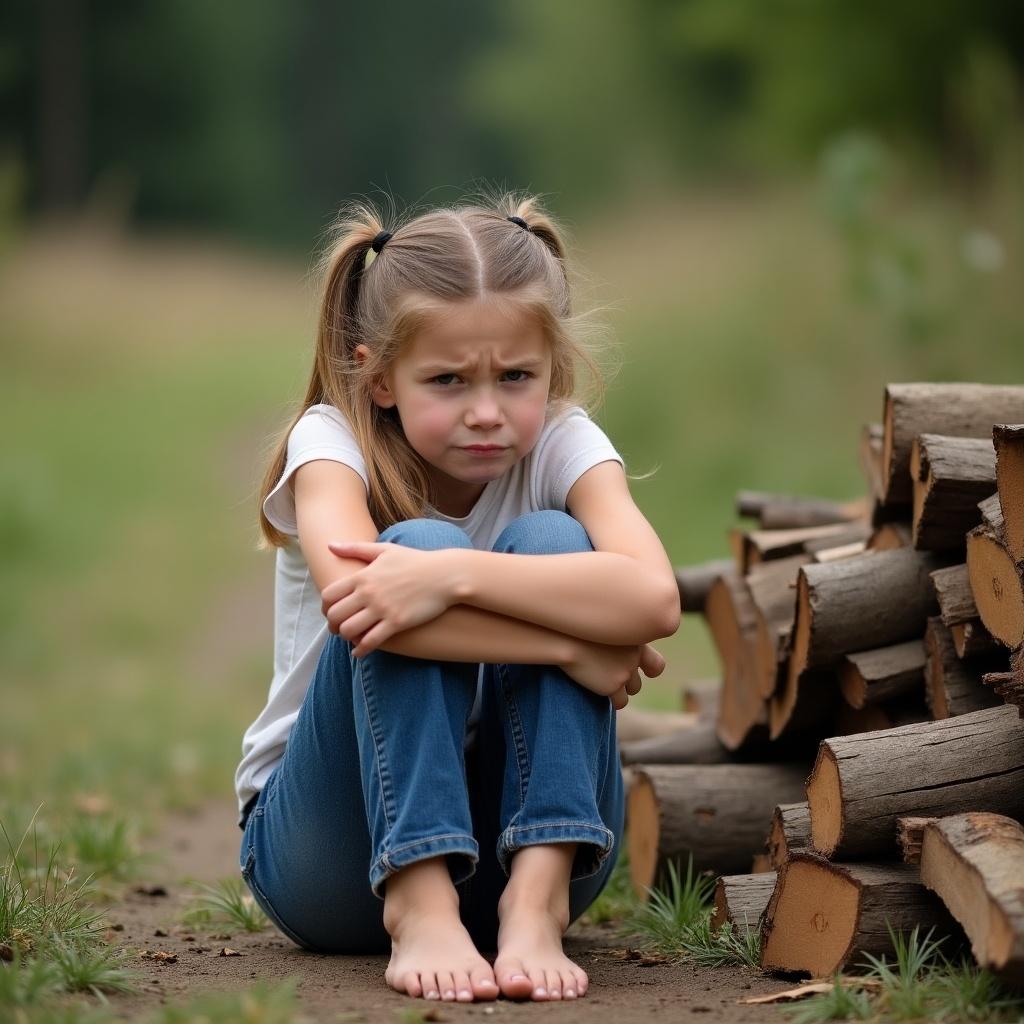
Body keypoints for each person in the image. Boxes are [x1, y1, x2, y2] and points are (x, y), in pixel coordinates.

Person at [235, 190, 680, 1004]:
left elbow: (653, 598)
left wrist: (456, 578)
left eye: (517, 377)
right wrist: (574, 643)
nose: (487, 412)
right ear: (377, 376)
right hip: (330, 855)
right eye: (446, 380)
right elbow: (362, 611)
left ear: (553, 369)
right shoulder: (331, 444)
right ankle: (419, 898)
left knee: (551, 544)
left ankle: (538, 904)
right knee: (418, 547)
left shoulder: (562, 440)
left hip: (522, 849)